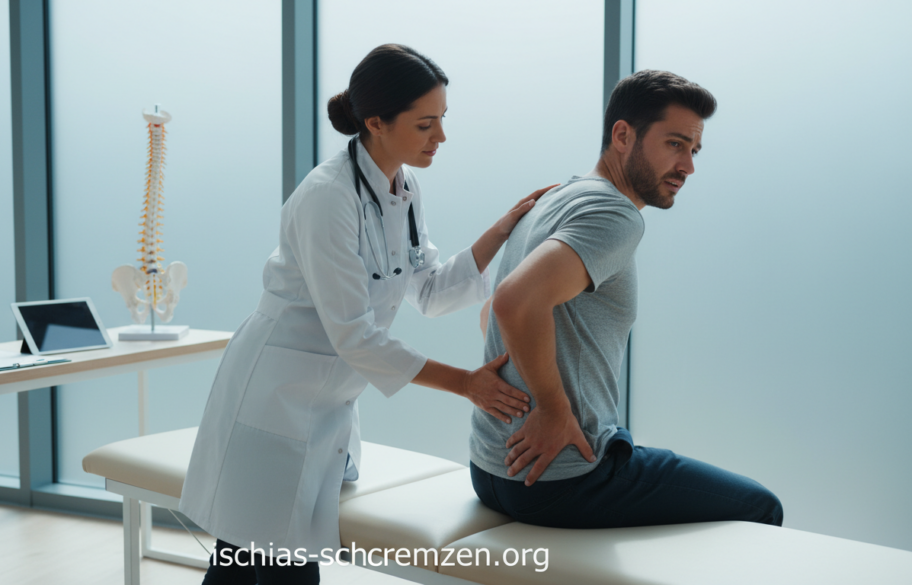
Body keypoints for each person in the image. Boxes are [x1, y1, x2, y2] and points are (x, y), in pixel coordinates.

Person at [181, 44, 548, 584]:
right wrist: (467, 384)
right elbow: (356, 336)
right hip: (274, 400)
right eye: (425, 124)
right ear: (376, 122)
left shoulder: (402, 186)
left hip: (325, 399)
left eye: (442, 120)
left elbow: (428, 290)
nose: (440, 137)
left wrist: (502, 230)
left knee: (247, 563)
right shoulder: (327, 197)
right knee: (268, 565)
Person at [470, 70, 784, 529]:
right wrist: (554, 411)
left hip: (491, 469)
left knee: (626, 441)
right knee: (761, 507)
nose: (688, 166)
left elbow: (491, 313)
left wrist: (528, 398)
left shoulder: (555, 198)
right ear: (622, 135)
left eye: (694, 150)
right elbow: (513, 303)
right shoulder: (615, 215)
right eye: (675, 144)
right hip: (562, 478)